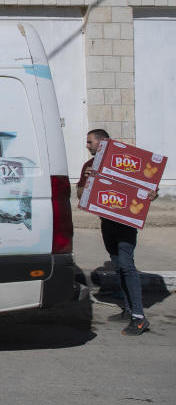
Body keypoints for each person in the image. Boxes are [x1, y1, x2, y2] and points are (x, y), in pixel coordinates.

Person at [77, 129, 158, 336]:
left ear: (102, 143)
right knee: (118, 265)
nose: (87, 146)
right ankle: (129, 309)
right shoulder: (88, 166)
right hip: (107, 223)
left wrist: (150, 194)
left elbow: (145, 189)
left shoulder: (124, 163)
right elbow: (79, 195)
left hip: (125, 223)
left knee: (127, 265)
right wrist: (87, 182)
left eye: (89, 142)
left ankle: (139, 318)